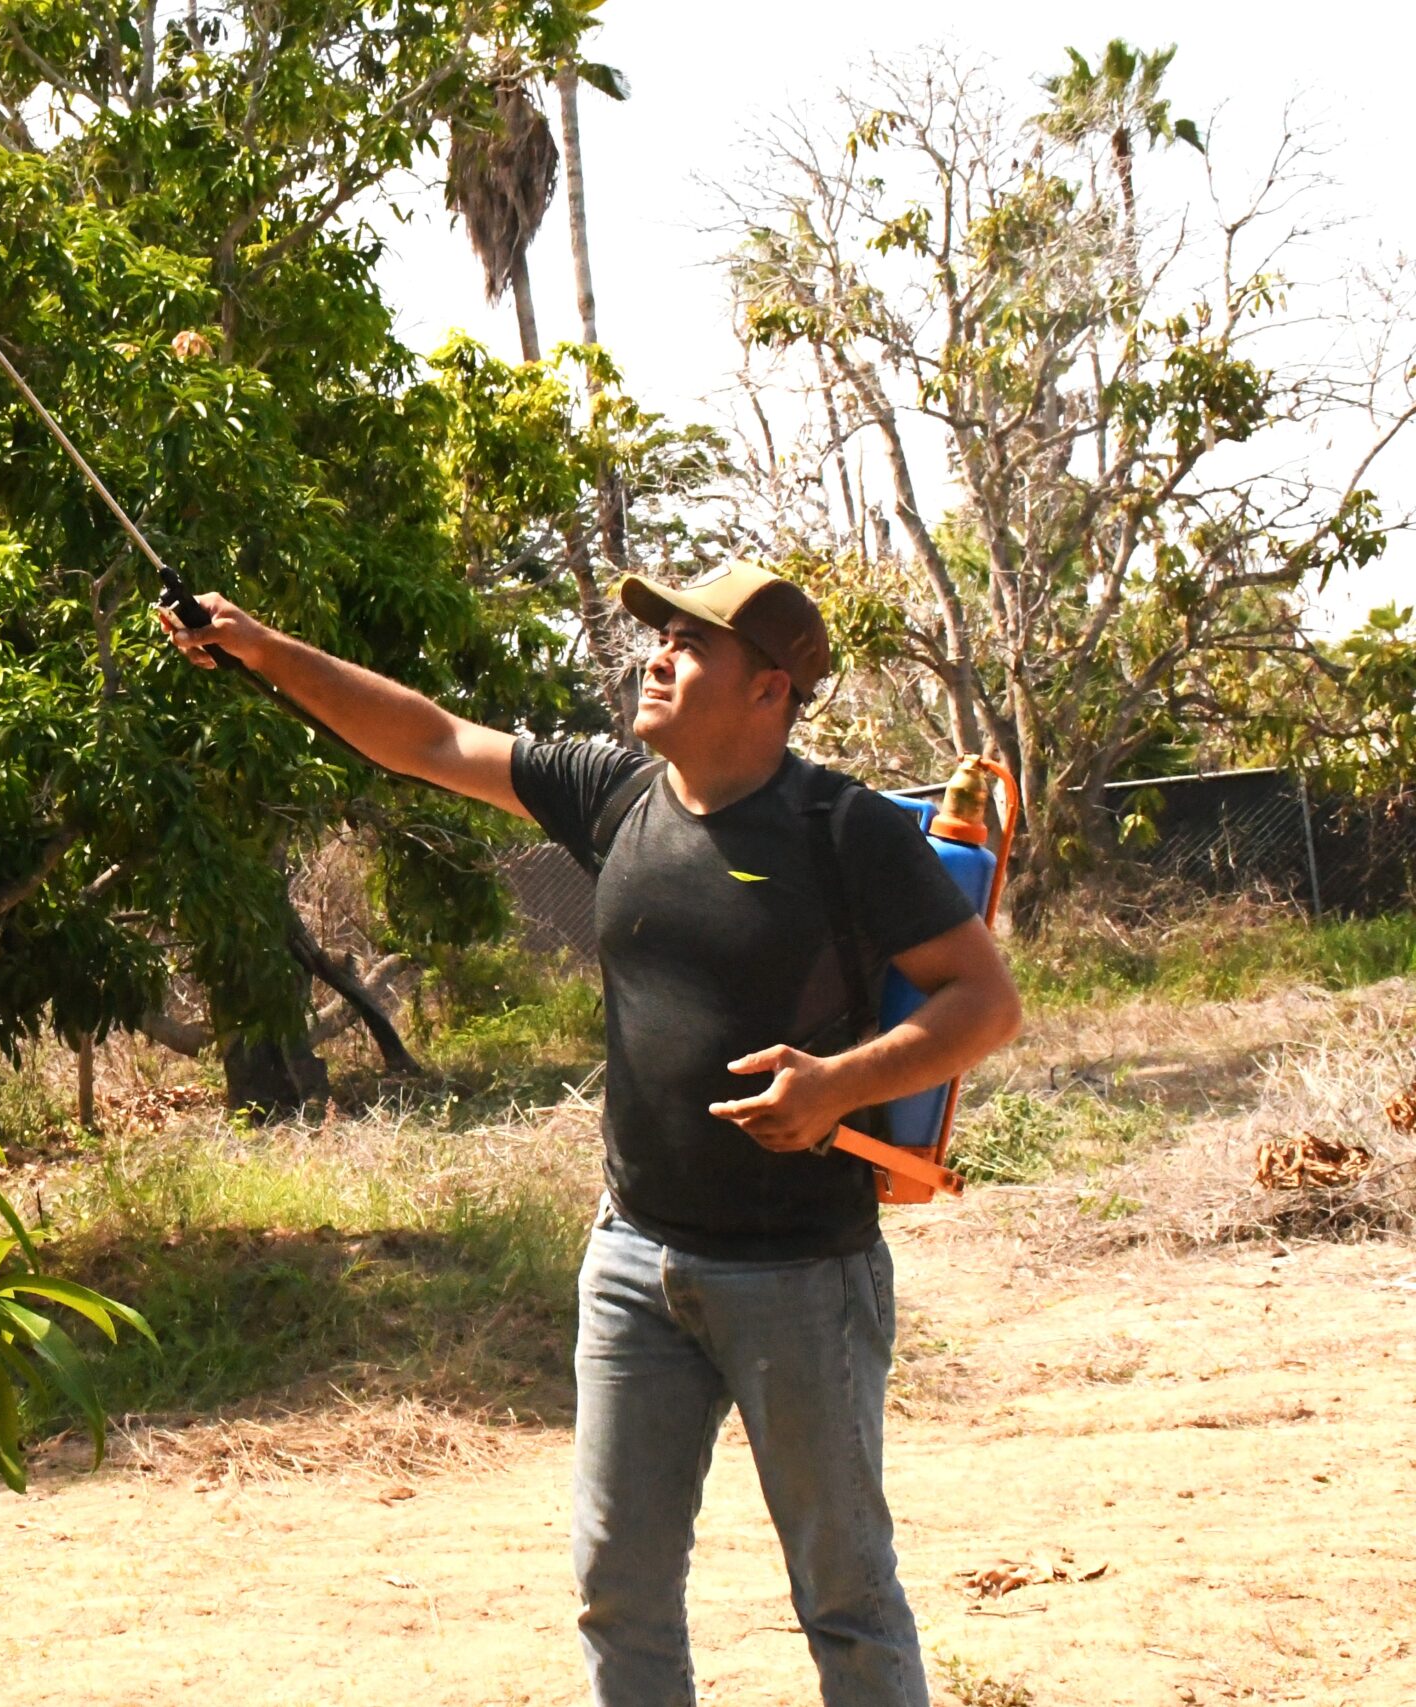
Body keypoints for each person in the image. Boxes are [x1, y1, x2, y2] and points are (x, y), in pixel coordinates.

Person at [157, 565, 1023, 1707]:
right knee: (618, 1591)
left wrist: (838, 1084)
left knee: (844, 1598)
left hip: (801, 1276)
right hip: (632, 1263)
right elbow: (423, 739)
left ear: (769, 690)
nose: (654, 658)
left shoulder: (845, 831)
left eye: (688, 645)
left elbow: (983, 1001)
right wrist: (263, 646)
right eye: (657, 637)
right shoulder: (615, 795)